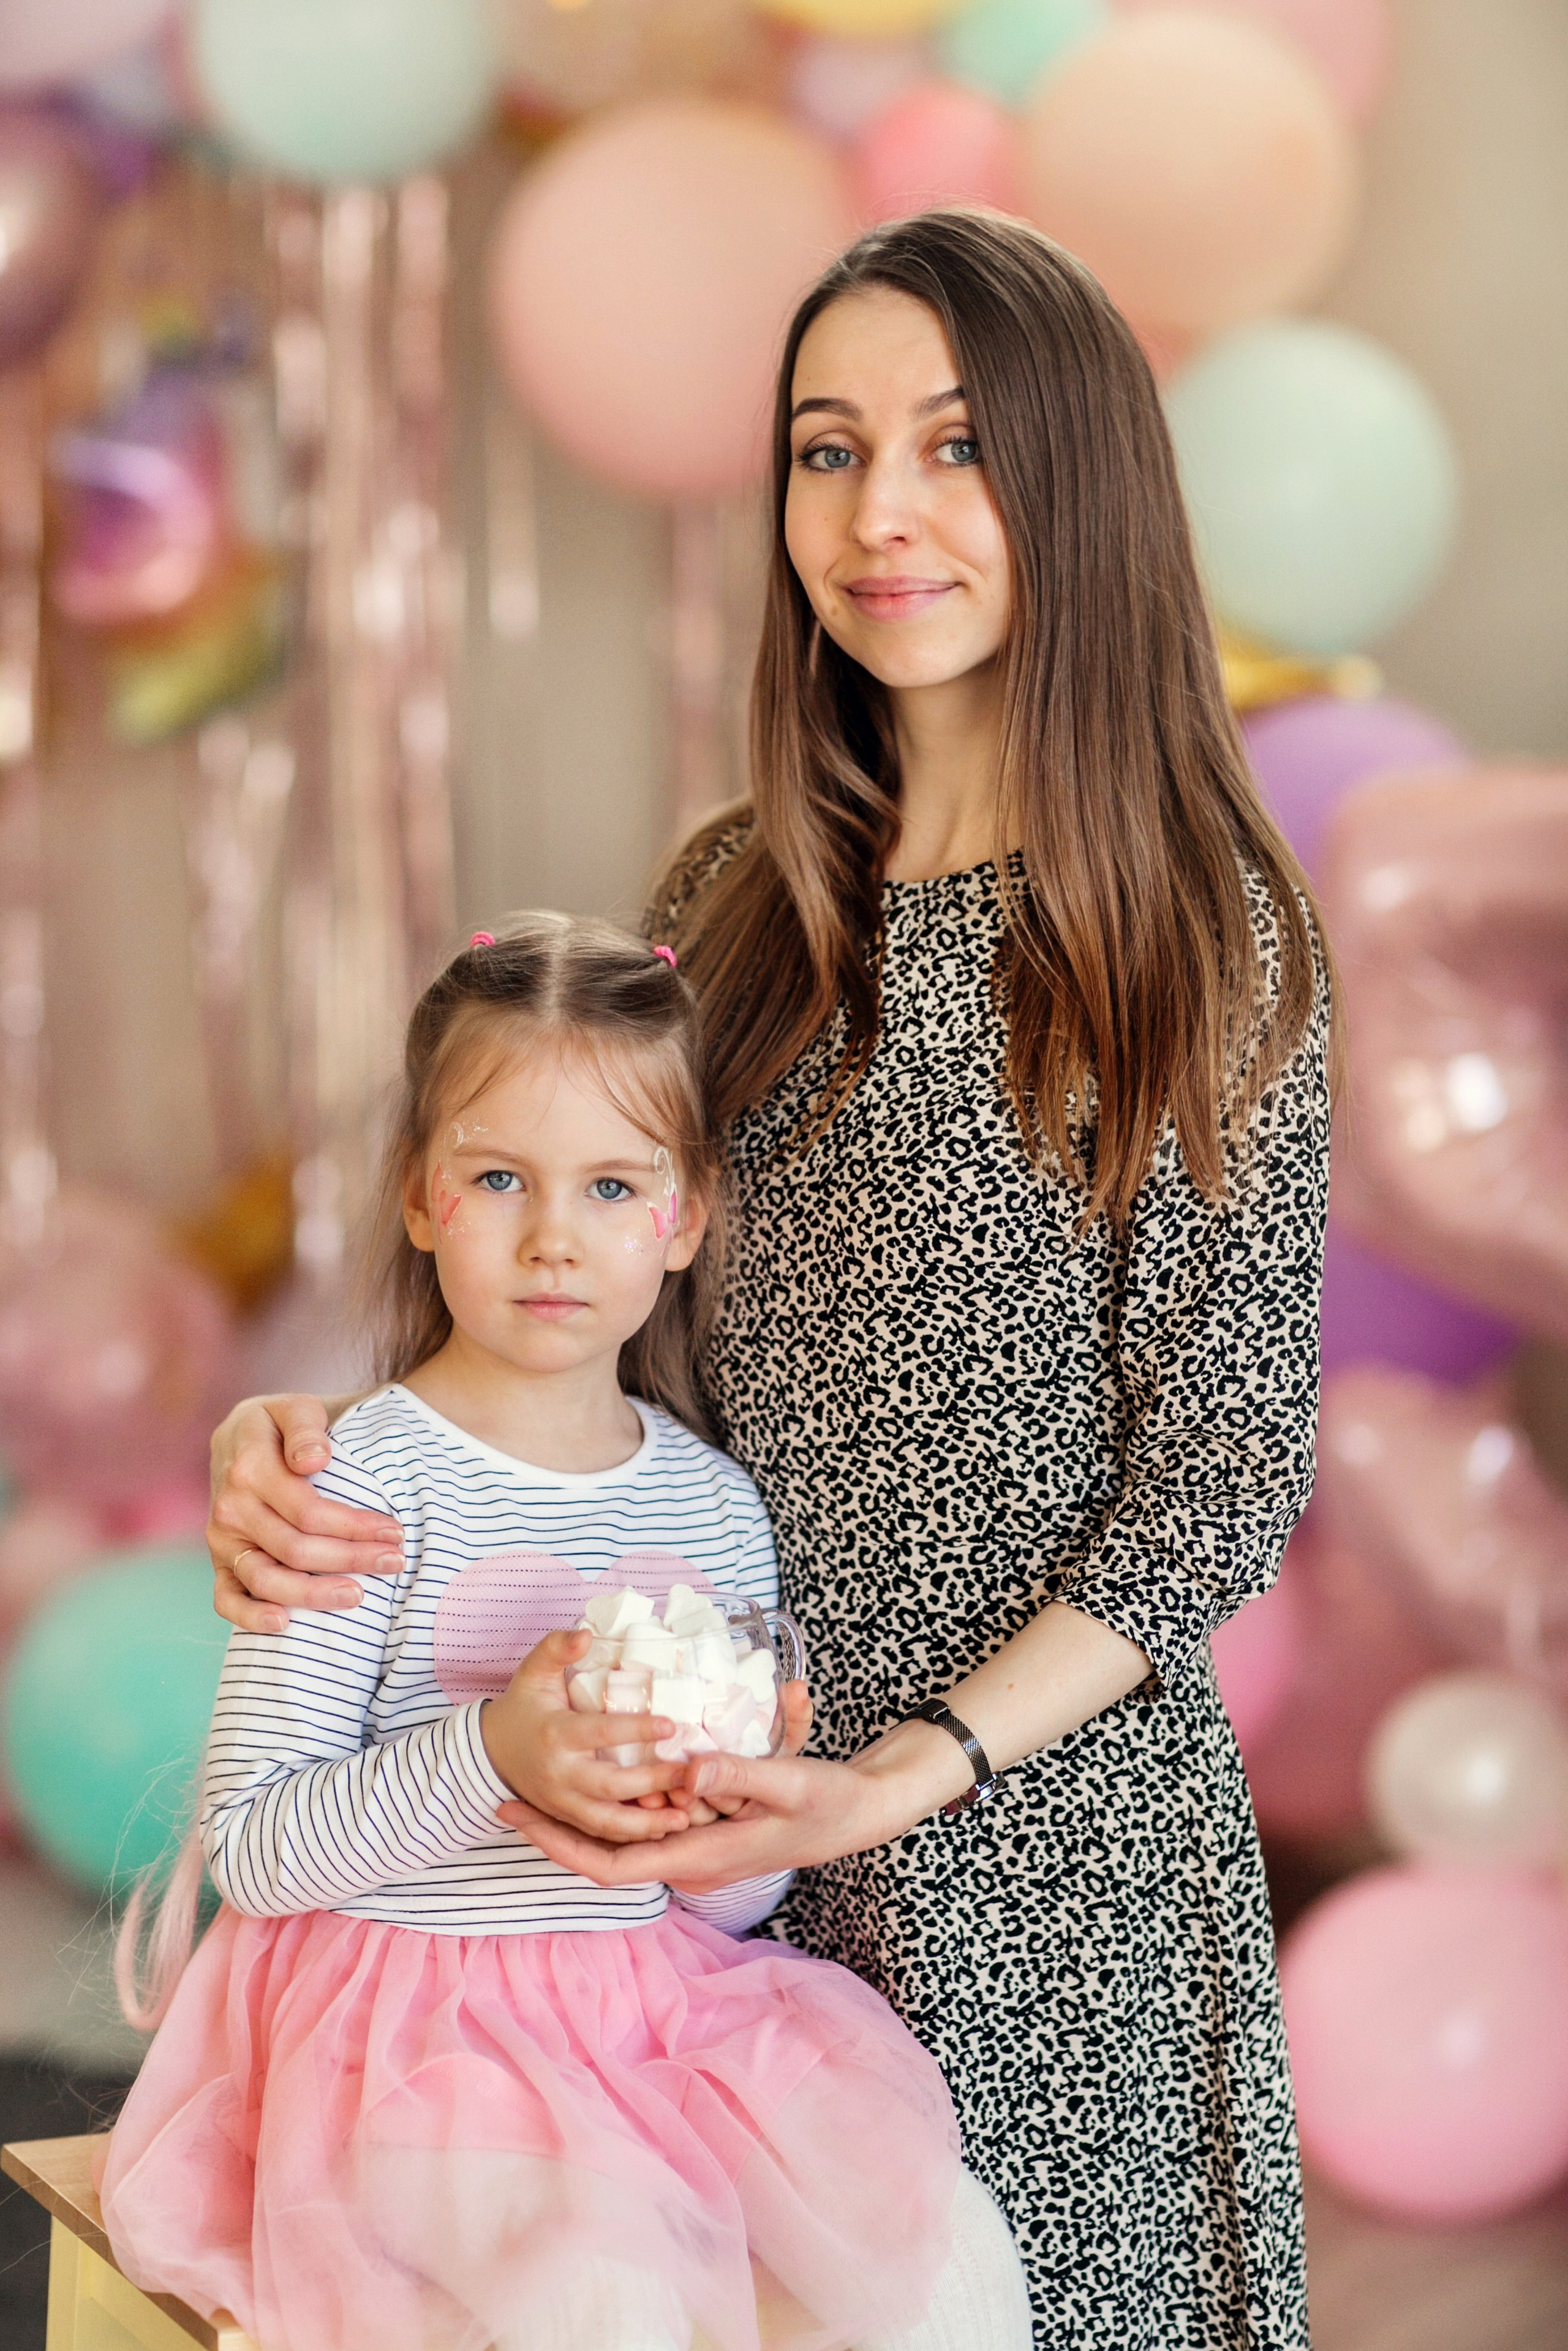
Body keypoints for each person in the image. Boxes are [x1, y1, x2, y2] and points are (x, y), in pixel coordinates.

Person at [206, 212, 1332, 2351]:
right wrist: (318, 1442)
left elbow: (1223, 1473)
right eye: (827, 450)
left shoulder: (1203, 928)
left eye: (956, 445)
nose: (879, 514)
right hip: (703, 1829)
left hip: (1034, 1856)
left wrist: (906, 1767)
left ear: (1078, 484)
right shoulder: (729, 898)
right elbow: (577, 1293)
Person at [103, 913, 1032, 2351]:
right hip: (411, 2040)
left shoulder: (718, 1506)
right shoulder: (353, 1479)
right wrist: (493, 1749)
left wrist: (720, 1812)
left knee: (946, 2261)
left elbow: (704, 1899)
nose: (555, 1234)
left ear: (684, 1214)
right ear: (421, 1198)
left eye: (610, 1183)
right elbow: (259, 1848)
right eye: (497, 1177)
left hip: (659, 2023)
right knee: (604, 2298)